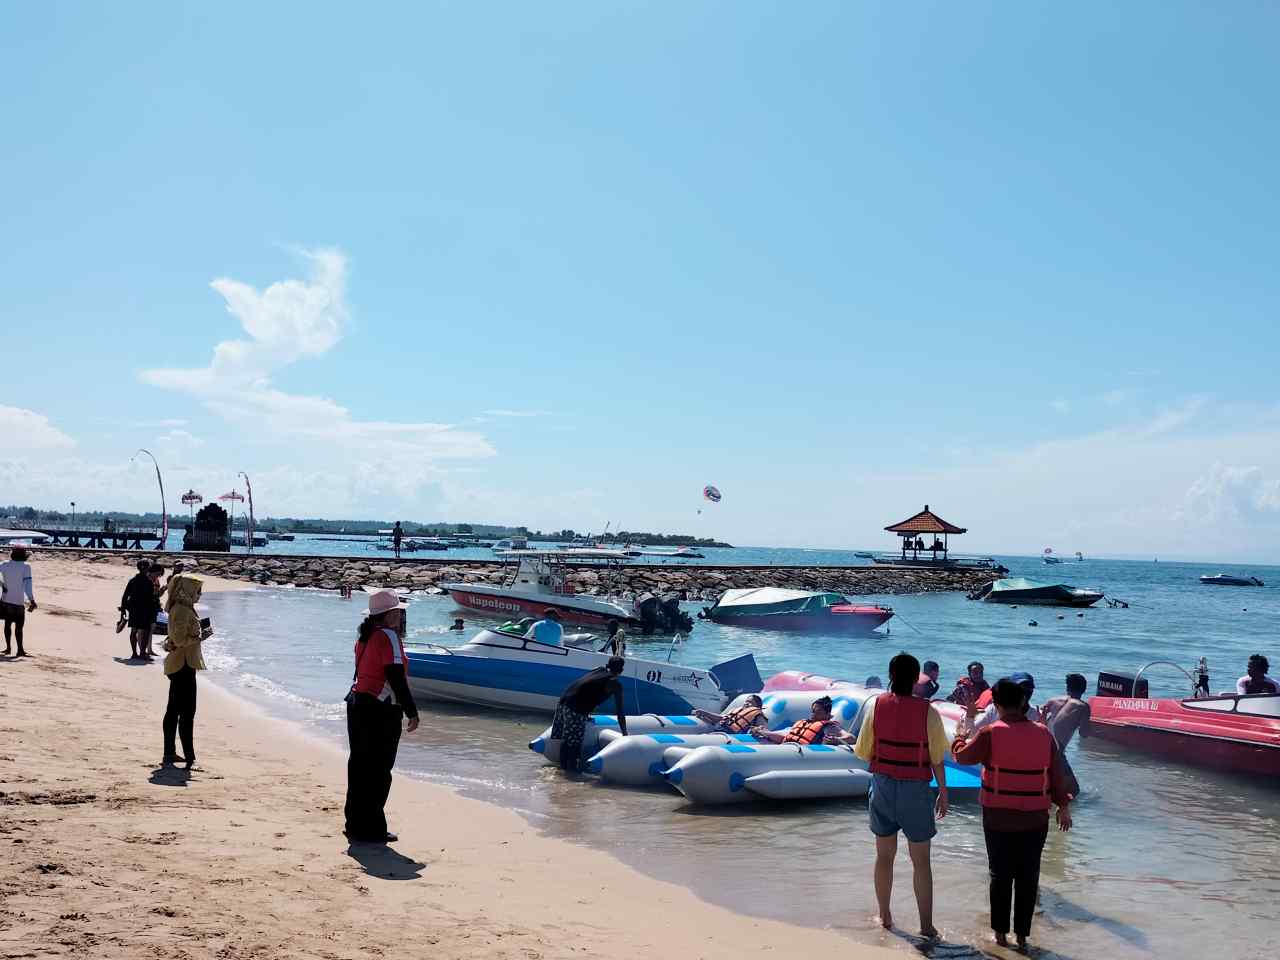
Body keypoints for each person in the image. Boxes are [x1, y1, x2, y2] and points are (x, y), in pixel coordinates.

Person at [952, 678, 1073, 950]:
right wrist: (1063, 807)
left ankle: (999, 935)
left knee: (1000, 874)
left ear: (996, 705)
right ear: (1023, 703)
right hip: (1035, 818)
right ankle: (1021, 937)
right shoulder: (1044, 734)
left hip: (998, 816)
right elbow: (1057, 777)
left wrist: (960, 735)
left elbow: (962, 757)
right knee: (1029, 876)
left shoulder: (990, 734)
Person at [850, 652, 950, 938]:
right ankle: (926, 926)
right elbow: (936, 758)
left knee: (884, 856)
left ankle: (884, 915)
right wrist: (943, 792)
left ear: (890, 675)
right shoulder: (928, 711)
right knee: (921, 861)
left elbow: (864, 750)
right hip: (915, 789)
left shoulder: (877, 705)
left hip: (882, 785)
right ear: (916, 677)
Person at [344, 589, 420, 844]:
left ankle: (355, 824)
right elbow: (396, 677)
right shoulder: (388, 636)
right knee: (379, 770)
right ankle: (373, 829)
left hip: (357, 704)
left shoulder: (364, 637)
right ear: (389, 615)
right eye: (398, 612)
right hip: (379, 709)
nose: (401, 616)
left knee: (359, 767)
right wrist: (412, 711)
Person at [161, 573, 211, 768]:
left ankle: (170, 753)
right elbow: (180, 640)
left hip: (181, 663)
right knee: (187, 712)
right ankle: (189, 758)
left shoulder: (183, 608)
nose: (200, 594)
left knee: (174, 711)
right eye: (197, 590)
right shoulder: (182, 609)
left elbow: (173, 639)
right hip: (183, 665)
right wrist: (199, 637)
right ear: (187, 590)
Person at [550, 657, 628, 770]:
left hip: (563, 702)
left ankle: (562, 771)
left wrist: (587, 714)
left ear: (607, 665)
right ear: (621, 670)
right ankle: (571, 773)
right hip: (575, 709)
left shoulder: (598, 670)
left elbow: (586, 689)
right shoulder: (615, 685)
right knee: (574, 743)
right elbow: (620, 712)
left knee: (567, 739)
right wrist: (625, 734)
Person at [967, 672, 1041, 734]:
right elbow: (973, 732)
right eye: (1021, 688)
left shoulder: (1036, 715)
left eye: (1029, 688)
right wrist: (970, 716)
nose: (1026, 692)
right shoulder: (994, 708)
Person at [752, 696, 844, 745]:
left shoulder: (829, 727)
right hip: (787, 748)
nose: (813, 714)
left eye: (818, 712)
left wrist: (837, 740)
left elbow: (851, 737)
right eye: (813, 711)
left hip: (800, 754)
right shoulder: (804, 723)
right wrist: (764, 732)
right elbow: (785, 736)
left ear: (827, 714)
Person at [0, 547, 36, 657]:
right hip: (19, 601)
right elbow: (28, 586)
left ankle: (8, 649)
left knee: (7, 625)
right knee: (19, 628)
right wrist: (32, 600)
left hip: (6, 600)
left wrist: (3, 585)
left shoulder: (4, 564)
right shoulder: (26, 566)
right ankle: (20, 650)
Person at [119, 559, 158, 660]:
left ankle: (134, 653)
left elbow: (125, 596)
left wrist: (123, 609)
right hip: (145, 609)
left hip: (134, 609)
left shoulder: (133, 580)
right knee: (145, 631)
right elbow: (151, 597)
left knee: (134, 631)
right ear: (148, 569)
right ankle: (142, 653)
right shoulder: (149, 582)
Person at [1040, 674, 1091, 751]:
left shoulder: (1053, 700)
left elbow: (1039, 713)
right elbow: (1083, 734)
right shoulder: (1083, 707)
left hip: (1041, 741)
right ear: (1084, 689)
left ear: (1067, 687)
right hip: (1056, 750)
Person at [692, 694, 767, 733]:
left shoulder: (758, 715)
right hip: (719, 730)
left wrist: (758, 729)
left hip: (732, 736)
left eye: (750, 702)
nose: (747, 703)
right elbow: (721, 718)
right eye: (746, 701)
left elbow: (762, 728)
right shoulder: (737, 711)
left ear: (757, 706)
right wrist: (703, 713)